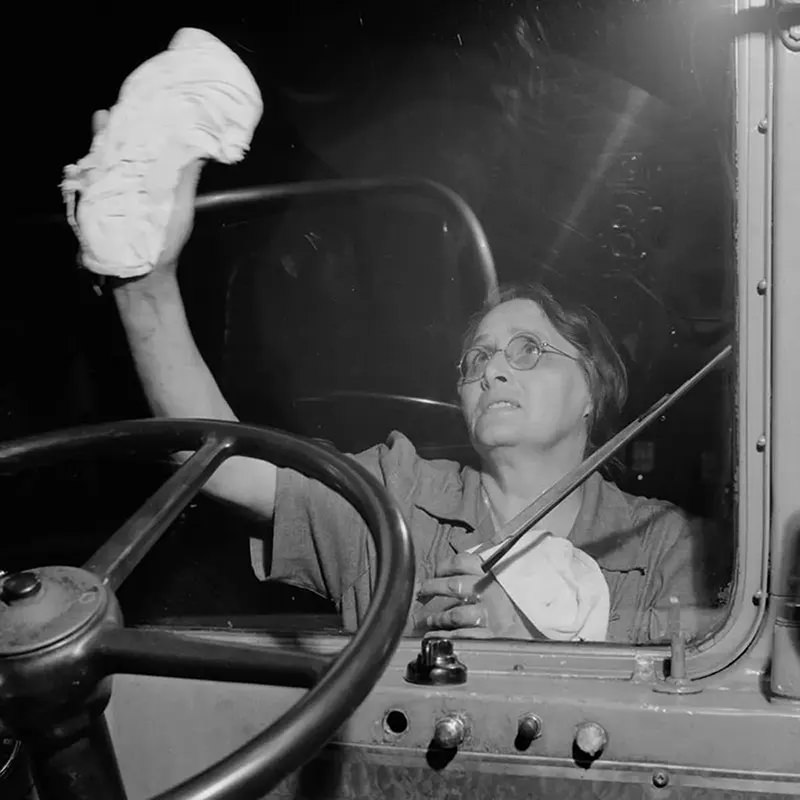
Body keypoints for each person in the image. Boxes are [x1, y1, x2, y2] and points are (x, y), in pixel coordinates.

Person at [99, 113, 713, 644]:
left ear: (593, 391)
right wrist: (144, 287)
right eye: (476, 359)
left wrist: (549, 635)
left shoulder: (661, 541)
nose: (492, 369)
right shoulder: (394, 492)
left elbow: (714, 684)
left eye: (527, 350)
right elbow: (220, 461)